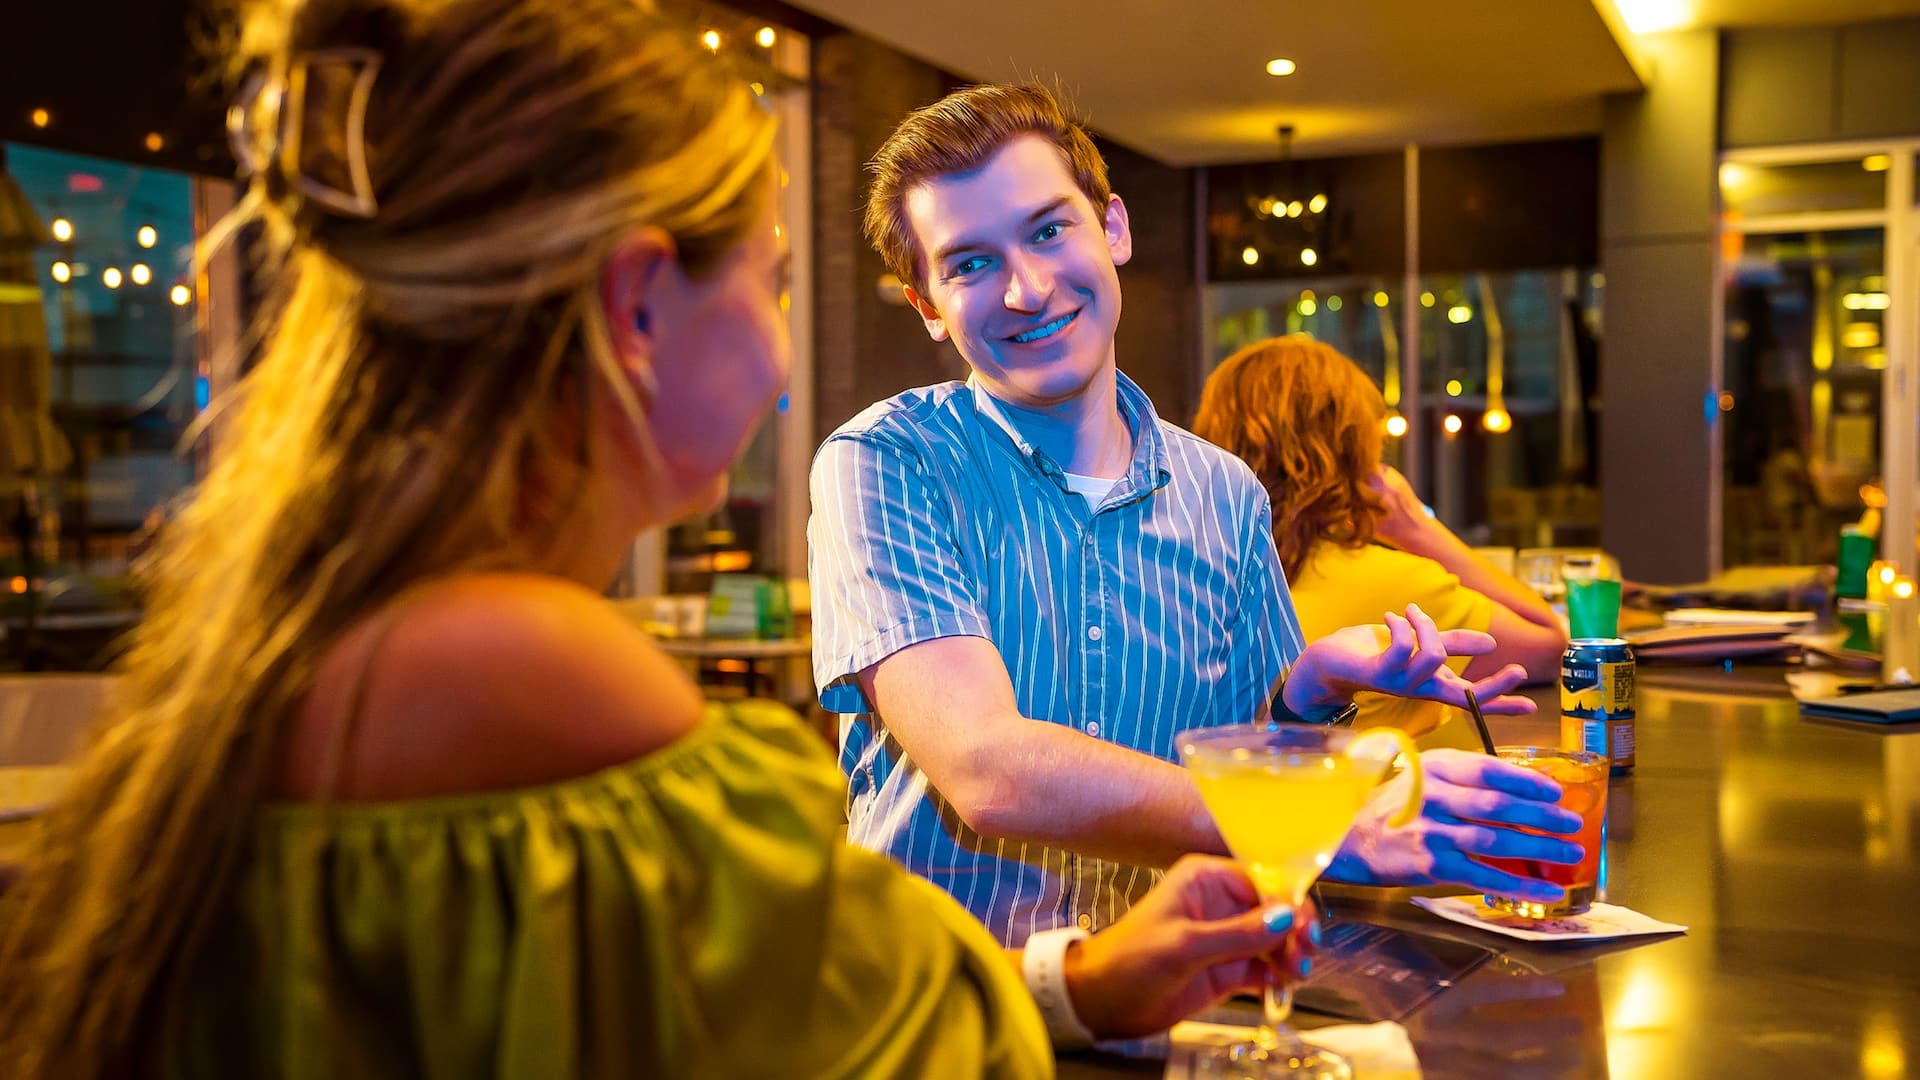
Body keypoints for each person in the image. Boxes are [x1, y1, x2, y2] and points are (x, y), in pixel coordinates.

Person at [0, 6, 1315, 1076]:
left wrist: (1087, 978)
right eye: (770, 278)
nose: (782, 340)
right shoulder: (539, 678)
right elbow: (875, 1049)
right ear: (638, 305)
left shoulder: (347, 625)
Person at [808, 83, 1583, 947]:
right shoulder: (888, 461)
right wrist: (1333, 820)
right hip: (949, 1013)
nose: (1027, 288)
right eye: (970, 263)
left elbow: (1252, 752)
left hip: (1175, 998)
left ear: (1113, 230)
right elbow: (988, 771)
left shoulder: (1225, 491)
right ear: (927, 304)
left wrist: (1310, 689)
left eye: (1048, 230)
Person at [1191, 335, 1568, 748]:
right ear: (1354, 452)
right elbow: (1553, 648)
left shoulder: (1198, 568)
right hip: (1363, 805)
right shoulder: (1398, 587)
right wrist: (1419, 531)